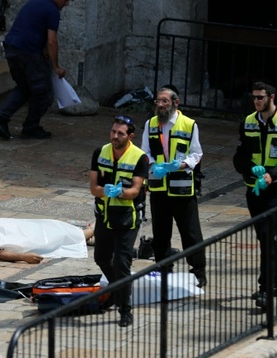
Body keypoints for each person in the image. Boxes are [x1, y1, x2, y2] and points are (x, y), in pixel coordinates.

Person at [233, 81, 277, 308]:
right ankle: (276, 282)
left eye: (260, 97)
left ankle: (266, 288)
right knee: (265, 238)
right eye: (254, 97)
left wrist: (273, 174)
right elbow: (239, 156)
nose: (256, 101)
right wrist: (249, 169)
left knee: (267, 233)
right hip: (254, 189)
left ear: (272, 97)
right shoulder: (248, 123)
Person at [141, 84, 207, 288]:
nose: (160, 105)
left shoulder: (189, 124)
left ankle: (198, 272)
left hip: (182, 187)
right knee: (161, 233)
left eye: (164, 101)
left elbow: (196, 153)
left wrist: (182, 164)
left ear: (175, 103)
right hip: (159, 187)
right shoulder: (151, 124)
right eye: (158, 101)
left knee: (190, 232)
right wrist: (153, 164)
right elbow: (144, 151)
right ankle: (163, 268)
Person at [89, 115, 149, 327]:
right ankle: (117, 290)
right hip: (104, 214)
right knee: (101, 257)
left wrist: (120, 193)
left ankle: (125, 309)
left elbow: (135, 190)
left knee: (122, 263)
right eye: (113, 131)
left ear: (130, 136)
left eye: (120, 133)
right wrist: (105, 191)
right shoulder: (100, 152)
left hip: (127, 217)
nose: (115, 136)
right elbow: (93, 187)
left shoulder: (139, 158)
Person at [0, 0, 70, 140]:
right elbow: (52, 41)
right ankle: (31, 127)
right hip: (28, 52)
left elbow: (32, 27)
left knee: (24, 87)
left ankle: (1, 116)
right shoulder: (52, 11)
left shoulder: (36, 3)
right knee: (43, 93)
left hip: (12, 47)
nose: (67, 3)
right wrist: (56, 67)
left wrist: (43, 49)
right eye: (66, 0)